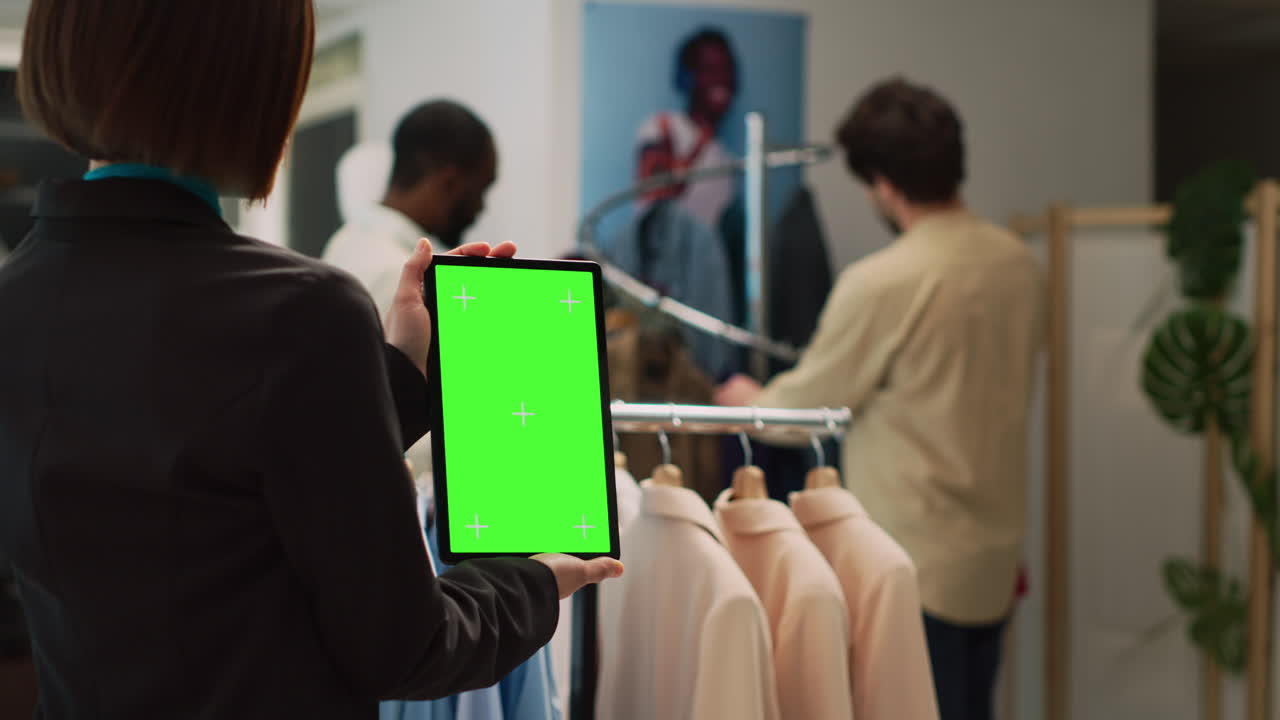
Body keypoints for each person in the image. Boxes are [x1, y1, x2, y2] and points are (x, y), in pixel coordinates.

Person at [0, 3, 621, 719]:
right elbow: (406, 647)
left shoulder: (16, 299)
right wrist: (537, 581)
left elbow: (213, 485)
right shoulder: (297, 312)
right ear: (256, 87)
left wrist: (398, 379)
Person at [715, 77, 1045, 720]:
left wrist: (746, 397)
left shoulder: (885, 280)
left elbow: (800, 411)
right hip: (992, 562)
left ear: (884, 182)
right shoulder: (1018, 264)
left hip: (910, 565)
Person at [324, 100, 497, 316]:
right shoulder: (404, 280)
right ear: (449, 183)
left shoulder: (343, 245)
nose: (481, 208)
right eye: (480, 190)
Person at [634, 27, 738, 230]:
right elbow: (658, 196)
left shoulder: (724, 155)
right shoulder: (661, 126)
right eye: (709, 70)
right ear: (686, 77)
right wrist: (699, 145)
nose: (721, 79)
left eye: (727, 70)